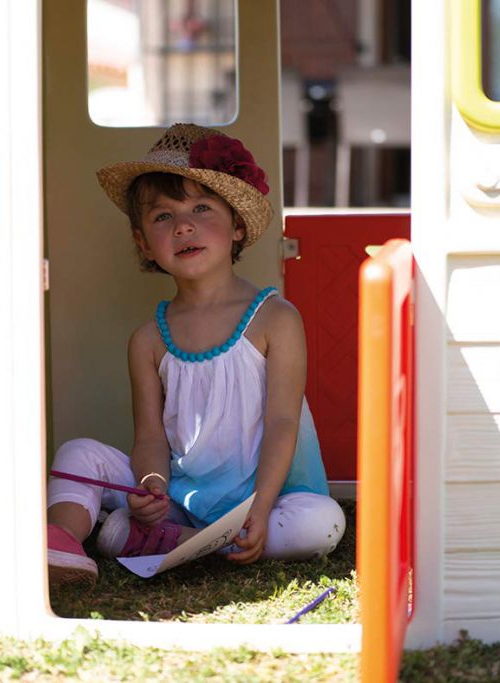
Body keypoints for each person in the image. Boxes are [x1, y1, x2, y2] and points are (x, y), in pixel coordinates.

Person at [46, 123, 345, 586]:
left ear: (238, 225)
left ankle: (157, 537)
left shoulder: (275, 319)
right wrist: (151, 484)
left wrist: (261, 509)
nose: (183, 225)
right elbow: (150, 438)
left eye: (201, 208)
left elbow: (284, 422)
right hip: (184, 499)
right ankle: (62, 542)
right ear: (143, 242)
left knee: (321, 523)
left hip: (270, 495)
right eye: (162, 217)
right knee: (77, 453)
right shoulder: (148, 340)